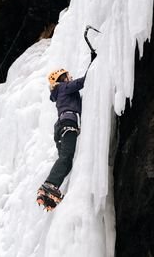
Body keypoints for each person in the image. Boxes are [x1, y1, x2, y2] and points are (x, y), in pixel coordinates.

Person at [37, 52, 97, 211]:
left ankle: (49, 192)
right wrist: (94, 62)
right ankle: (49, 184)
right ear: (61, 79)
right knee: (66, 157)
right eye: (67, 75)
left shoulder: (60, 93)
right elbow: (83, 82)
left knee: (66, 160)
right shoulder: (64, 87)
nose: (69, 77)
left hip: (61, 126)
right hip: (68, 123)